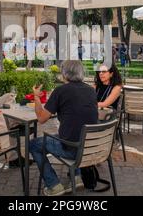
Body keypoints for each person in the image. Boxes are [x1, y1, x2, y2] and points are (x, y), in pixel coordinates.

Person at [30, 61, 98, 196]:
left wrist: (37, 97)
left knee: (33, 145)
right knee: (73, 131)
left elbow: (42, 119)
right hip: (90, 148)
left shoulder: (60, 90)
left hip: (72, 149)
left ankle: (54, 185)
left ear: (64, 74)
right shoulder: (91, 90)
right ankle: (77, 178)